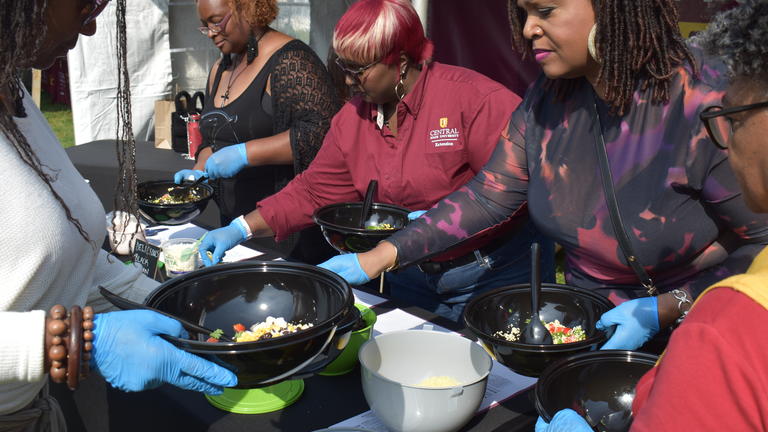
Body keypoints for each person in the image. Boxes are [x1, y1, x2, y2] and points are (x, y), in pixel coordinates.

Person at [320, 0, 768, 348]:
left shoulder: (700, 102)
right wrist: (377, 257)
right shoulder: (545, 101)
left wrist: (668, 308)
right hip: (586, 328)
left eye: (545, 10)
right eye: (523, 12)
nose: (529, 27)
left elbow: (761, 244)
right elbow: (486, 197)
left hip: (698, 330)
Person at [198, 0, 554, 322]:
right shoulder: (354, 118)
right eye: (343, 67)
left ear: (398, 63)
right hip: (408, 271)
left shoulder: (474, 101)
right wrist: (241, 228)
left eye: (359, 69)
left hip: (489, 273)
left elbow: (507, 193)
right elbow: (313, 191)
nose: (349, 81)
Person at [0, 0, 237, 429]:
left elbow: (69, 256)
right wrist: (78, 344)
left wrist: (168, 301)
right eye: (84, 6)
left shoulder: (13, 92)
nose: (89, 29)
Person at [537, 1, 768, 430]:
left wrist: (670, 306)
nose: (725, 142)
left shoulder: (725, 328)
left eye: (732, 118)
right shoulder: (548, 98)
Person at [174, 0, 340, 263]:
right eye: (204, 26)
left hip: (286, 232)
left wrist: (246, 153)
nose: (211, 33)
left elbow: (321, 133)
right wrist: (200, 169)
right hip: (234, 227)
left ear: (246, 9)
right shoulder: (220, 68)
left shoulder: (291, 60)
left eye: (216, 21)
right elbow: (213, 135)